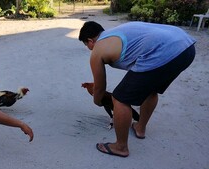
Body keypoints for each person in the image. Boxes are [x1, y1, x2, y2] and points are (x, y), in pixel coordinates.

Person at [78, 21, 196, 157]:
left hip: (163, 52)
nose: (89, 48)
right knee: (150, 89)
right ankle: (140, 128)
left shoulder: (98, 49)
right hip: (186, 47)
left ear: (90, 40)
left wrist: (97, 101)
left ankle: (120, 147)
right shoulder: (117, 31)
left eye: (87, 45)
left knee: (119, 98)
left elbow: (100, 87)